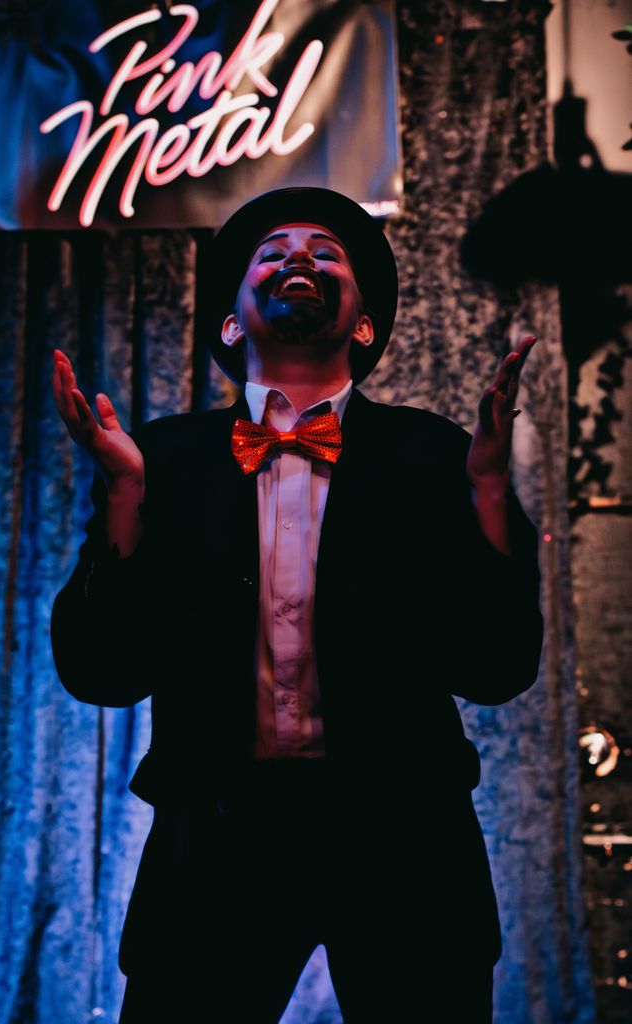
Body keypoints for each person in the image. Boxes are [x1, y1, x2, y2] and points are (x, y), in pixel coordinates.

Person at [50, 187, 543, 1023]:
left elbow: (495, 671)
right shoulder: (159, 458)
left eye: (325, 250)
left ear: (364, 325)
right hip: (215, 846)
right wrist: (127, 494)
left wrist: (490, 494)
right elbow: (103, 673)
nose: (299, 258)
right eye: (274, 251)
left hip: (405, 843)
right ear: (230, 321)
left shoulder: (434, 452)